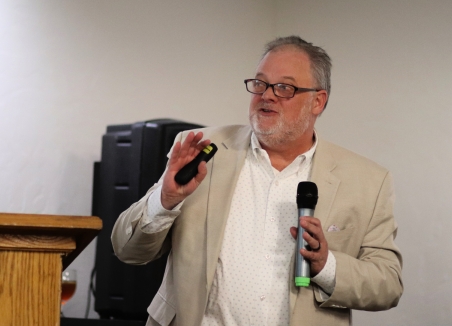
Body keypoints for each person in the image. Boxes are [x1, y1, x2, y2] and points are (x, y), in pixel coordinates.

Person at [111, 36, 403, 326]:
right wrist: (166, 200)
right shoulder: (202, 150)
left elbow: (388, 284)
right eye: (260, 84)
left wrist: (327, 265)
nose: (267, 95)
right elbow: (127, 249)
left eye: (284, 87)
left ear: (317, 101)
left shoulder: (367, 181)